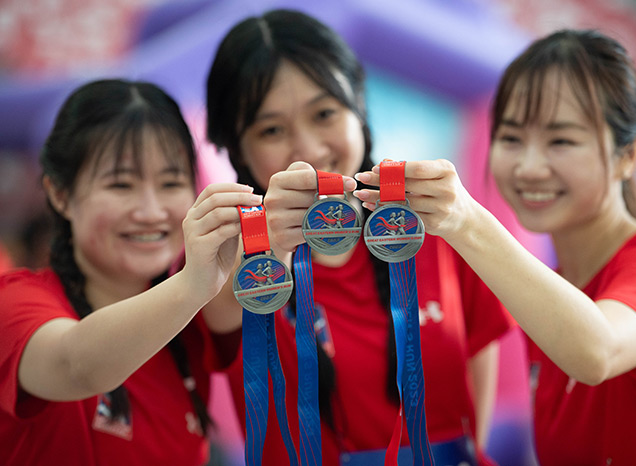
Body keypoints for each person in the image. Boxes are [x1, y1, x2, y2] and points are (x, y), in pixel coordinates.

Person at [354, 29, 636, 465]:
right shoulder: (551, 292)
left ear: (629, 154)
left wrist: (466, 219)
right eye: (512, 138)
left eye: (561, 141)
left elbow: (597, 351)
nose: (529, 167)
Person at [206, 9, 513, 466]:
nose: (308, 149)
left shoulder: (433, 222)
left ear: (360, 110)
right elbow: (219, 312)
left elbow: (475, 363)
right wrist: (268, 246)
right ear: (237, 149)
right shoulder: (223, 253)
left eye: (325, 113)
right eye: (271, 129)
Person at [0, 79, 263, 465]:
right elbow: (76, 364)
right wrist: (193, 283)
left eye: (171, 183)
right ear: (59, 194)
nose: (151, 211)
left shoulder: (194, 319)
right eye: (121, 184)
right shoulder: (14, 304)